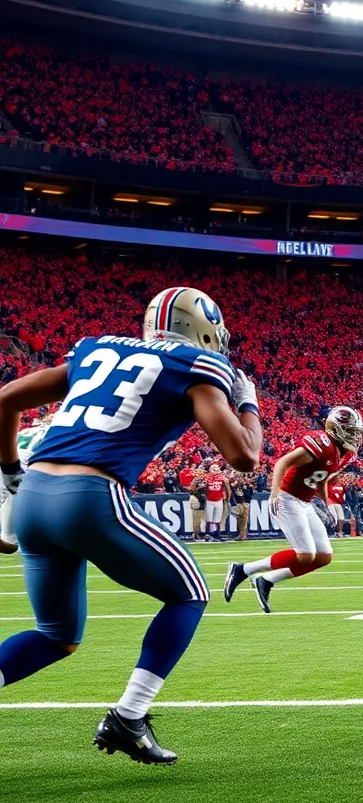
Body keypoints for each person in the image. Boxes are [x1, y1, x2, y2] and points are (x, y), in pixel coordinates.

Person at [0, 286, 261, 764]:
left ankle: (128, 718)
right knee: (190, 593)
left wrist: (10, 470)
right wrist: (248, 404)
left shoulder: (97, 347)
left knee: (57, 635)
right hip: (89, 496)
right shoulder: (196, 365)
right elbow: (244, 455)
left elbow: (6, 400)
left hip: (33, 497)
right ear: (204, 330)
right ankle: (129, 717)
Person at [224, 406, 363, 613]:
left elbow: (321, 479)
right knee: (306, 555)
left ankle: (267, 580)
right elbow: (283, 462)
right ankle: (242, 570)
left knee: (324, 556)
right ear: (337, 429)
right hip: (288, 498)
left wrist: (329, 504)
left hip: (305, 502)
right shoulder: (322, 444)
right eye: (351, 431)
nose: (355, 436)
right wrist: (274, 493)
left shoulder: (343, 453)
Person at [0, 419, 52, 554]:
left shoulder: (31, 430)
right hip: (25, 463)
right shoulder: (56, 431)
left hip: (8, 458)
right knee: (9, 543)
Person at [202, 462, 230, 541]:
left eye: (215, 469)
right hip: (210, 500)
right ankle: (207, 534)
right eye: (213, 469)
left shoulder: (222, 478)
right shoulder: (207, 478)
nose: (214, 471)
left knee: (218, 519)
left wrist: (228, 498)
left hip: (219, 499)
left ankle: (217, 534)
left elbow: (228, 489)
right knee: (209, 518)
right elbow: (204, 488)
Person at [231, 474, 251, 541]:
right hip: (238, 504)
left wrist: (245, 489)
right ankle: (241, 534)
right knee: (240, 520)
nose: (239, 479)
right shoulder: (234, 486)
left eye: (240, 477)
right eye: (237, 477)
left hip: (244, 503)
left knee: (244, 520)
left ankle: (243, 534)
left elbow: (249, 495)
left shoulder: (245, 486)